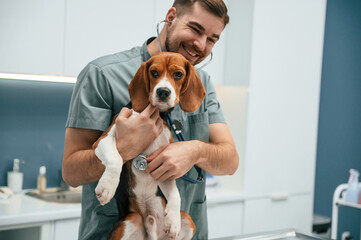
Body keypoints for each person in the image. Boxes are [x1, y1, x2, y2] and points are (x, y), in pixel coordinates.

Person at [62, 0, 239, 239]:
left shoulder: (201, 82)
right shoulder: (102, 75)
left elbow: (230, 161)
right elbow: (71, 172)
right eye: (196, 29)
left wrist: (194, 151)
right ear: (170, 17)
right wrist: (123, 149)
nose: (200, 44)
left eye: (212, 39)